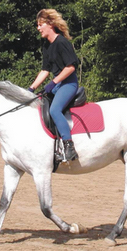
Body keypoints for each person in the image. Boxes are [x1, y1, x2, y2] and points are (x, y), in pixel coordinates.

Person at [29, 9, 79, 161]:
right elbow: (45, 70)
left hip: (68, 84)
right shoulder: (46, 45)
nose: (38, 28)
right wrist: (31, 88)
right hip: (57, 84)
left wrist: (53, 82)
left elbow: (71, 67)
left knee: (55, 110)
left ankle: (69, 146)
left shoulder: (62, 43)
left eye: (40, 24)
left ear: (50, 24)